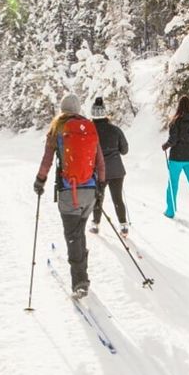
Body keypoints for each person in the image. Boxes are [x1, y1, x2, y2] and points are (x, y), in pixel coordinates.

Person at [33, 94, 106, 299]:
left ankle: (80, 281)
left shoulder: (58, 129)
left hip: (69, 192)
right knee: (79, 233)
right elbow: (100, 161)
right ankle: (82, 272)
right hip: (90, 192)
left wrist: (40, 181)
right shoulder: (88, 128)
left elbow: (47, 160)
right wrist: (100, 185)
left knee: (73, 236)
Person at [89, 97, 129, 237]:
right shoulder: (115, 130)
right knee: (117, 198)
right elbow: (124, 150)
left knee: (98, 197)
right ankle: (124, 226)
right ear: (105, 114)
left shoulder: (90, 131)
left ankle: (95, 224)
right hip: (117, 170)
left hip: (100, 171)